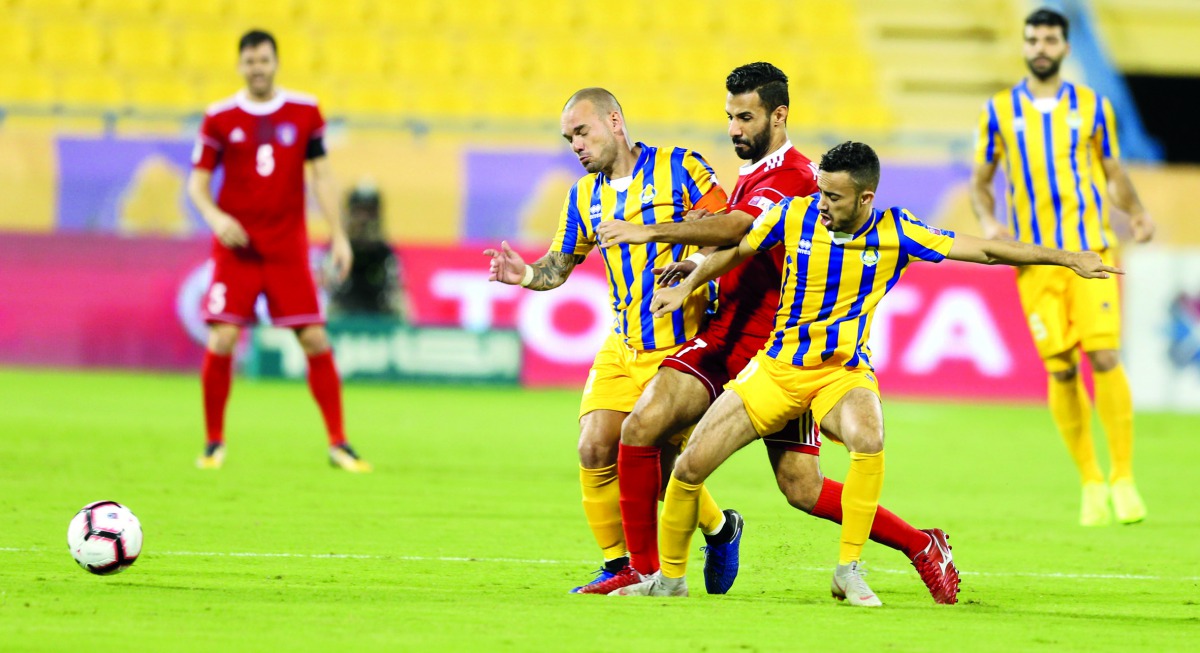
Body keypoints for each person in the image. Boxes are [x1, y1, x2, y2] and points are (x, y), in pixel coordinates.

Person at [616, 141, 1120, 604]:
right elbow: (739, 249)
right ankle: (670, 581)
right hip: (776, 370)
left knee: (869, 435)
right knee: (688, 469)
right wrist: (690, 283)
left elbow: (986, 250)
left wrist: (1066, 259)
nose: (822, 202)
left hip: (841, 373)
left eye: (833, 196)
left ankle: (848, 569)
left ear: (865, 198)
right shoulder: (794, 214)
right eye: (820, 191)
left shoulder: (898, 231)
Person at [591, 63, 959, 604]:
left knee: (671, 437)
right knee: (674, 440)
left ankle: (657, 567)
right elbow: (739, 242)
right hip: (746, 340)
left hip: (756, 343)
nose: (734, 129)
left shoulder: (795, 175)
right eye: (730, 117)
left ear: (778, 115)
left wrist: (653, 230)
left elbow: (741, 229)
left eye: (746, 117)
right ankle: (667, 561)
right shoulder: (754, 173)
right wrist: (696, 271)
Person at [484, 88, 736, 593]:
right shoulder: (582, 196)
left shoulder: (681, 167)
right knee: (595, 445)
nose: (575, 145)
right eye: (568, 138)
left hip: (680, 344)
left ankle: (720, 529)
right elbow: (559, 267)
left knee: (663, 466)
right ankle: (618, 564)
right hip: (623, 342)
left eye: (582, 131)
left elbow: (731, 231)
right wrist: (525, 275)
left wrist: (657, 235)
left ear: (615, 121)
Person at [969, 8, 1153, 526]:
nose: (1041, 46)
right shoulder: (999, 111)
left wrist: (1136, 212)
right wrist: (990, 220)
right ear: (1024, 45)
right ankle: (1091, 482)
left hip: (1091, 250)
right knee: (1062, 367)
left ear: (1066, 46)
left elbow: (1113, 171)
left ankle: (1123, 477)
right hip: (1034, 260)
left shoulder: (1094, 106)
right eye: (1033, 38)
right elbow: (980, 180)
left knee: (1105, 354)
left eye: (1050, 38)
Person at [187, 29, 371, 473]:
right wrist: (216, 218)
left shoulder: (305, 111)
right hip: (238, 249)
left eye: (264, 60)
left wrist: (338, 235)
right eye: (250, 62)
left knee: (313, 338)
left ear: (275, 62)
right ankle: (213, 443)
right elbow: (196, 182)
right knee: (223, 336)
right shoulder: (219, 117)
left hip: (287, 248)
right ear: (239, 66)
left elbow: (322, 176)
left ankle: (339, 443)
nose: (257, 69)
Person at [328, 183, 406, 319]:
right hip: (342, 324)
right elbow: (325, 301)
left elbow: (401, 301)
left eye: (370, 212)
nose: (364, 219)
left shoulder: (386, 256)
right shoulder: (337, 252)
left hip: (380, 325)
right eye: (359, 211)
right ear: (350, 213)